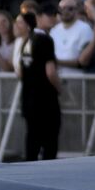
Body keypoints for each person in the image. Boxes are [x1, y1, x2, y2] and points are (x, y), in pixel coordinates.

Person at [13, 10, 61, 160]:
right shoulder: (44, 40)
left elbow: (21, 71)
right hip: (45, 99)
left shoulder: (25, 42)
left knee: (32, 142)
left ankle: (30, 175)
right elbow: (50, 71)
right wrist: (60, 88)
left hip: (29, 99)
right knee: (49, 143)